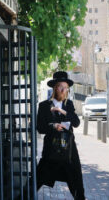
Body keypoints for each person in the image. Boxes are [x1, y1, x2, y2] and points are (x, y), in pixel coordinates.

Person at [36, 71, 85, 200]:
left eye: (66, 88)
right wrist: (53, 126)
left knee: (77, 180)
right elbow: (40, 128)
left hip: (69, 150)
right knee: (38, 178)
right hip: (51, 150)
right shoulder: (43, 106)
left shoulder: (68, 104)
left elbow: (76, 123)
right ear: (54, 88)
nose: (63, 90)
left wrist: (62, 111)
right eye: (60, 87)